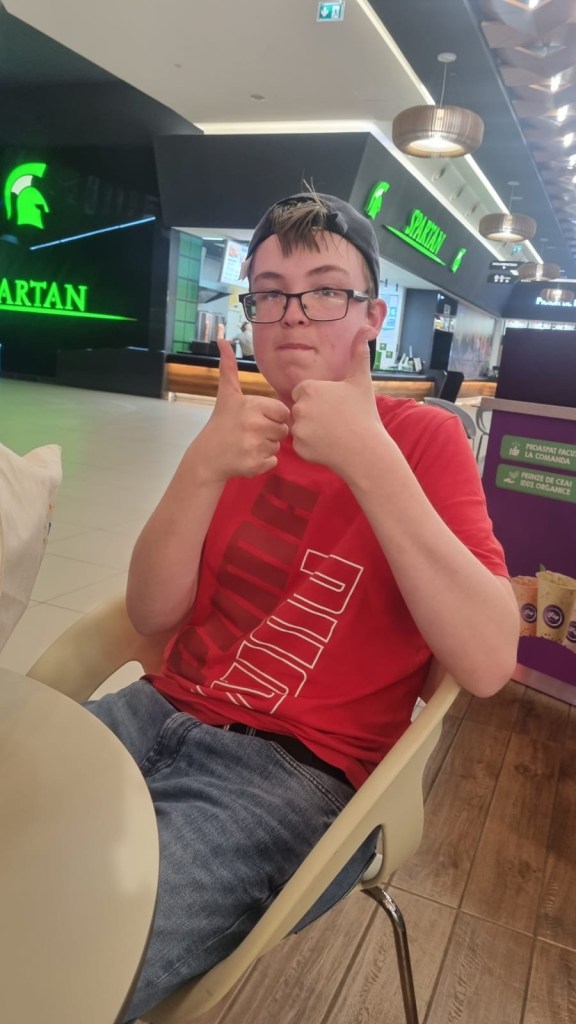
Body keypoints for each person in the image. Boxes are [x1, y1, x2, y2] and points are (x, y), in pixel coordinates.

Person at [86, 190, 519, 1021]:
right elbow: (150, 613)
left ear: (371, 317)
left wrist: (370, 461)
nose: (292, 314)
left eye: (324, 290)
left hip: (290, 775)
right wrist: (202, 467)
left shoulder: (423, 439)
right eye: (270, 292)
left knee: (75, 949)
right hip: (157, 708)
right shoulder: (237, 432)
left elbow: (490, 661)